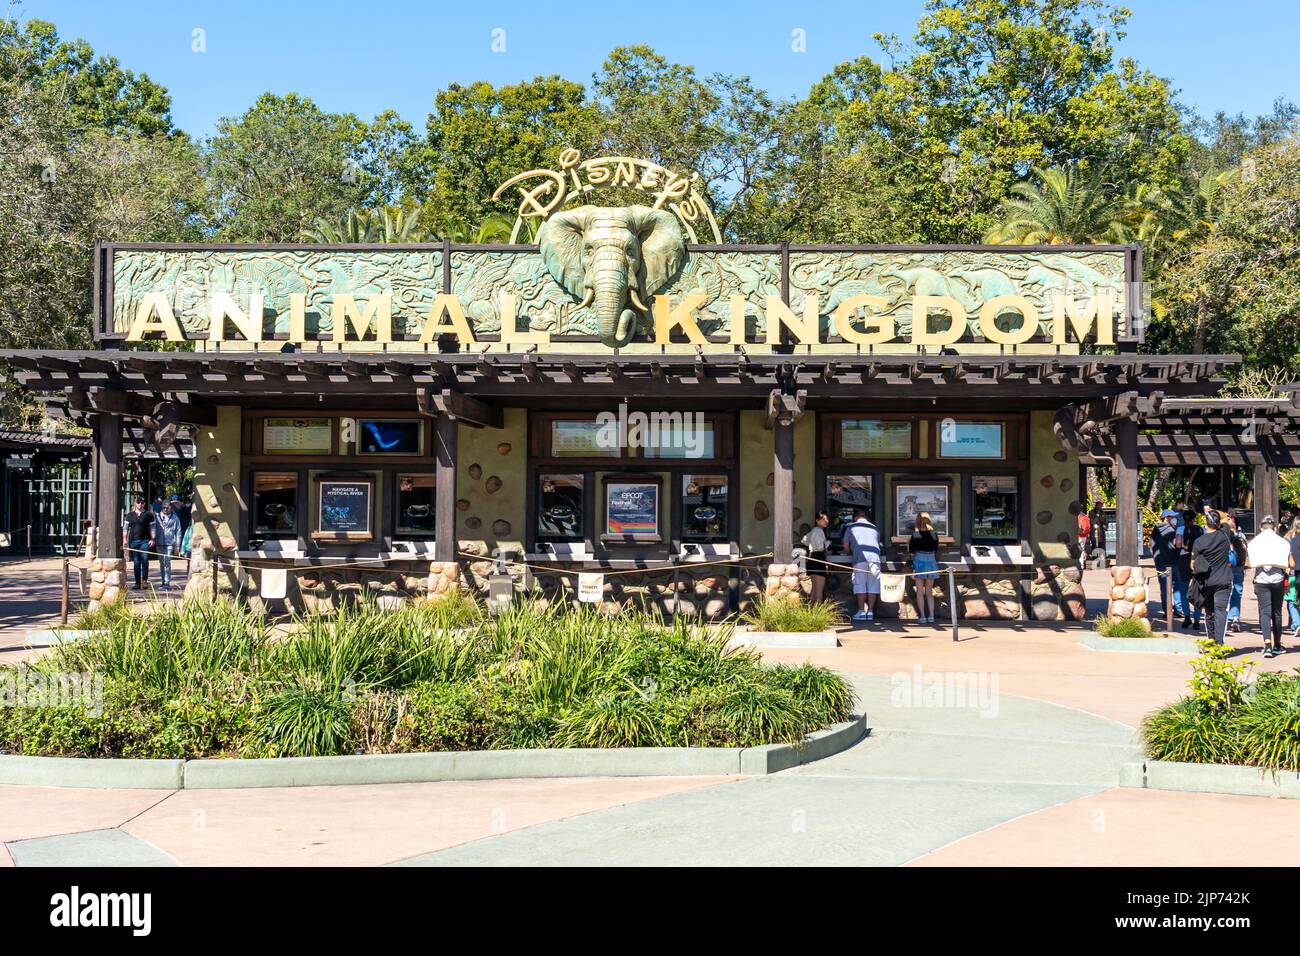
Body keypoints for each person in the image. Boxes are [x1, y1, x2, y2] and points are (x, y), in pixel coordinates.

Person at [1247, 515, 1289, 657]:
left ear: (1260, 527)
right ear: (1275, 528)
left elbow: (1249, 563)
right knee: (1277, 612)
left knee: (1265, 612)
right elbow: (1290, 563)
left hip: (1261, 580)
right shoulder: (1282, 542)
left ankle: (1267, 645)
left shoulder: (1254, 543)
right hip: (1277, 580)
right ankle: (1277, 644)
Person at [1191, 509, 1233, 646]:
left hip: (1207, 582)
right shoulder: (1225, 534)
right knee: (1221, 612)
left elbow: (1192, 565)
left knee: (1209, 611)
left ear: (1205, 522)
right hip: (1224, 580)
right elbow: (1226, 517)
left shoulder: (1199, 541)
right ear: (1218, 523)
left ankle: (1211, 641)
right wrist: (1212, 511)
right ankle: (1220, 644)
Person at [842, 507, 883, 622]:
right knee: (873, 585)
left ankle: (861, 611)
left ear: (855, 517)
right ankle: (870, 611)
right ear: (865, 517)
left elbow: (845, 544)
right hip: (875, 559)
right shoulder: (874, 527)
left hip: (860, 558)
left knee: (860, 584)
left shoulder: (851, 527)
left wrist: (850, 552)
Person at [909, 512, 941, 624]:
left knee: (919, 591)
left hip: (919, 562)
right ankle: (931, 616)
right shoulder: (934, 535)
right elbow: (936, 550)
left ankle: (922, 616)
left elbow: (912, 552)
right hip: (931, 561)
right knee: (929, 592)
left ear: (917, 521)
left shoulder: (915, 535)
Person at [1175, 506, 1202, 631]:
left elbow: (1178, 544)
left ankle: (1186, 616)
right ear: (1194, 519)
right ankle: (1197, 619)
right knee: (1198, 590)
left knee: (1183, 589)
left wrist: (1183, 547)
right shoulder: (1201, 529)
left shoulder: (1180, 528)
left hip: (1184, 559)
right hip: (1197, 560)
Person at [1150, 509, 1181, 618]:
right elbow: (1177, 545)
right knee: (1177, 586)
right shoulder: (1173, 531)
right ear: (1167, 518)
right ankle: (1178, 609)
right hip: (1173, 562)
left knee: (1164, 587)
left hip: (1160, 563)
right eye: (1173, 517)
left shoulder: (1155, 530)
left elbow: (1152, 546)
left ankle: (1167, 609)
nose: (1175, 519)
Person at [121, 497, 156, 590]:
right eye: (138, 502)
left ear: (144, 504)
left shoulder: (149, 515)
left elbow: (153, 527)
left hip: (145, 541)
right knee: (136, 562)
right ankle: (137, 582)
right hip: (133, 541)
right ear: (135, 503)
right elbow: (125, 528)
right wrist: (124, 540)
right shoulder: (130, 515)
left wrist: (152, 539)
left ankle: (144, 581)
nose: (140, 504)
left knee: (145, 560)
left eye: (142, 502)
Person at [1222, 511, 1248, 633]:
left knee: (1225, 592)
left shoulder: (1222, 535)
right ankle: (1235, 618)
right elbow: (1245, 550)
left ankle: (1225, 618)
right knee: (1237, 592)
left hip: (1226, 566)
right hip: (1239, 566)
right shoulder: (1241, 535)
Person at [802, 512, 830, 604]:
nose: (826, 521)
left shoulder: (813, 530)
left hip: (812, 558)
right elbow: (820, 547)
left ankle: (812, 610)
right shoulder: (818, 530)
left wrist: (811, 544)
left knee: (814, 587)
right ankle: (817, 611)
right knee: (819, 589)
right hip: (818, 557)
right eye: (823, 519)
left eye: (827, 519)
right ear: (817, 520)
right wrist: (828, 543)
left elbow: (804, 540)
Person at [155, 500, 181, 590]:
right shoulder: (157, 516)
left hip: (170, 543)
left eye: (167, 507)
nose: (165, 509)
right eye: (164, 507)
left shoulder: (175, 518)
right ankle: (163, 581)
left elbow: (178, 532)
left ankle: (167, 582)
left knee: (167, 562)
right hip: (159, 543)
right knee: (162, 563)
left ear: (170, 507)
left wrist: (177, 545)